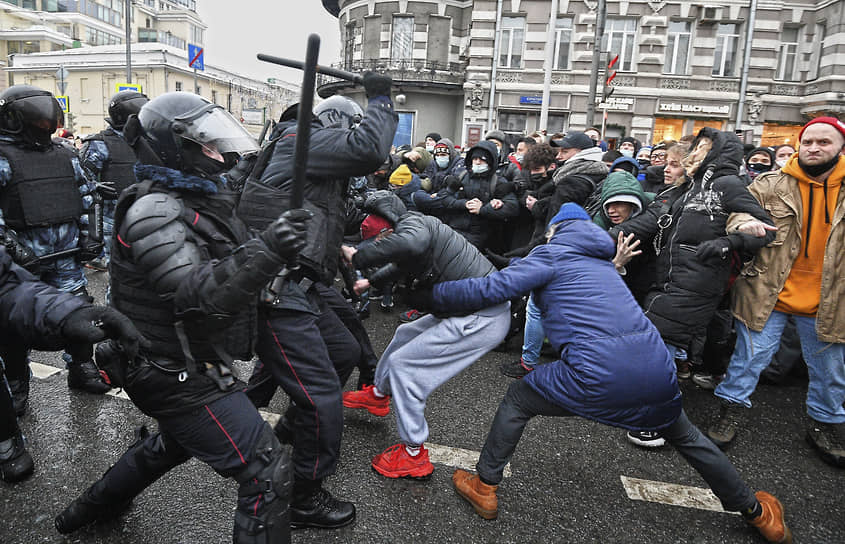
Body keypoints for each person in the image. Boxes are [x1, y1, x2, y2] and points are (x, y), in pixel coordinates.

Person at [418, 203, 791, 544]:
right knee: (687, 437)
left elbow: (491, 288)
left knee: (518, 400)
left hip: (593, 375)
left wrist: (433, 296)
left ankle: (483, 485)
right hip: (655, 370)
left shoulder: (552, 253)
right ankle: (757, 513)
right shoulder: (602, 264)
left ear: (555, 231)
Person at [53, 92, 309, 543]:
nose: (220, 154)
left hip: (188, 360)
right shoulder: (156, 210)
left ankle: (85, 511)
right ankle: (87, 509)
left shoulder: (194, 197)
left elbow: (231, 253)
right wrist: (268, 250)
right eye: (207, 145)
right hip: (170, 370)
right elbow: (197, 295)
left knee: (173, 443)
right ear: (173, 148)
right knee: (266, 468)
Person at [237, 74, 398, 528]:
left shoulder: (304, 156)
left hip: (303, 287)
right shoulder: (302, 140)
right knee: (321, 398)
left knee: (344, 351)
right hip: (279, 292)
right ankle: (304, 496)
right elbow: (370, 148)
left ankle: (291, 432)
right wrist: (381, 97)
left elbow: (328, 218)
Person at [607, 128, 775, 448]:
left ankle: (656, 424)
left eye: (701, 149)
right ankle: (652, 411)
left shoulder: (726, 185)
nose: (692, 155)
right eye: (694, 148)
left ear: (717, 154)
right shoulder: (686, 189)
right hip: (670, 281)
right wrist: (593, 237)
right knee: (657, 348)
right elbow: (645, 224)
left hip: (697, 284)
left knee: (657, 346)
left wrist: (731, 241)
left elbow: (764, 229)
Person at [339, 191, 510, 479]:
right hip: (468, 307)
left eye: (381, 240)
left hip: (482, 317)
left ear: (392, 227)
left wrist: (359, 257)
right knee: (406, 333)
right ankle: (379, 394)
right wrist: (370, 280)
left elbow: (409, 242)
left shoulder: (416, 225)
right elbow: (402, 261)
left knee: (406, 367)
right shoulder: (413, 229)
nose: (380, 246)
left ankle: (414, 454)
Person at [706, 116, 845, 468]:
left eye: (823, 142)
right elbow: (736, 212)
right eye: (808, 141)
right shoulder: (771, 184)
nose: (814, 148)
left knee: (830, 371)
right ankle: (730, 414)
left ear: (840, 147)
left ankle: (824, 425)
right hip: (768, 292)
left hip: (830, 300)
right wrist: (743, 225)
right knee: (747, 361)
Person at [0, 84, 110, 405]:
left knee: (78, 314)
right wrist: (12, 248)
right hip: (20, 264)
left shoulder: (65, 154)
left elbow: (87, 197)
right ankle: (16, 384)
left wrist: (91, 237)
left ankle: (81, 367)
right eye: (38, 120)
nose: (44, 126)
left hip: (66, 260)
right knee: (13, 324)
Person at [0, 246, 146, 483]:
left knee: (75, 296)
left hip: (63, 245)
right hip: (31, 238)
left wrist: (64, 314)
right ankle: (16, 384)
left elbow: (5, 289)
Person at [80, 90, 149, 270]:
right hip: (113, 219)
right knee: (120, 271)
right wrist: (94, 187)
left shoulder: (147, 142)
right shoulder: (99, 144)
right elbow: (79, 180)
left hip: (146, 213)